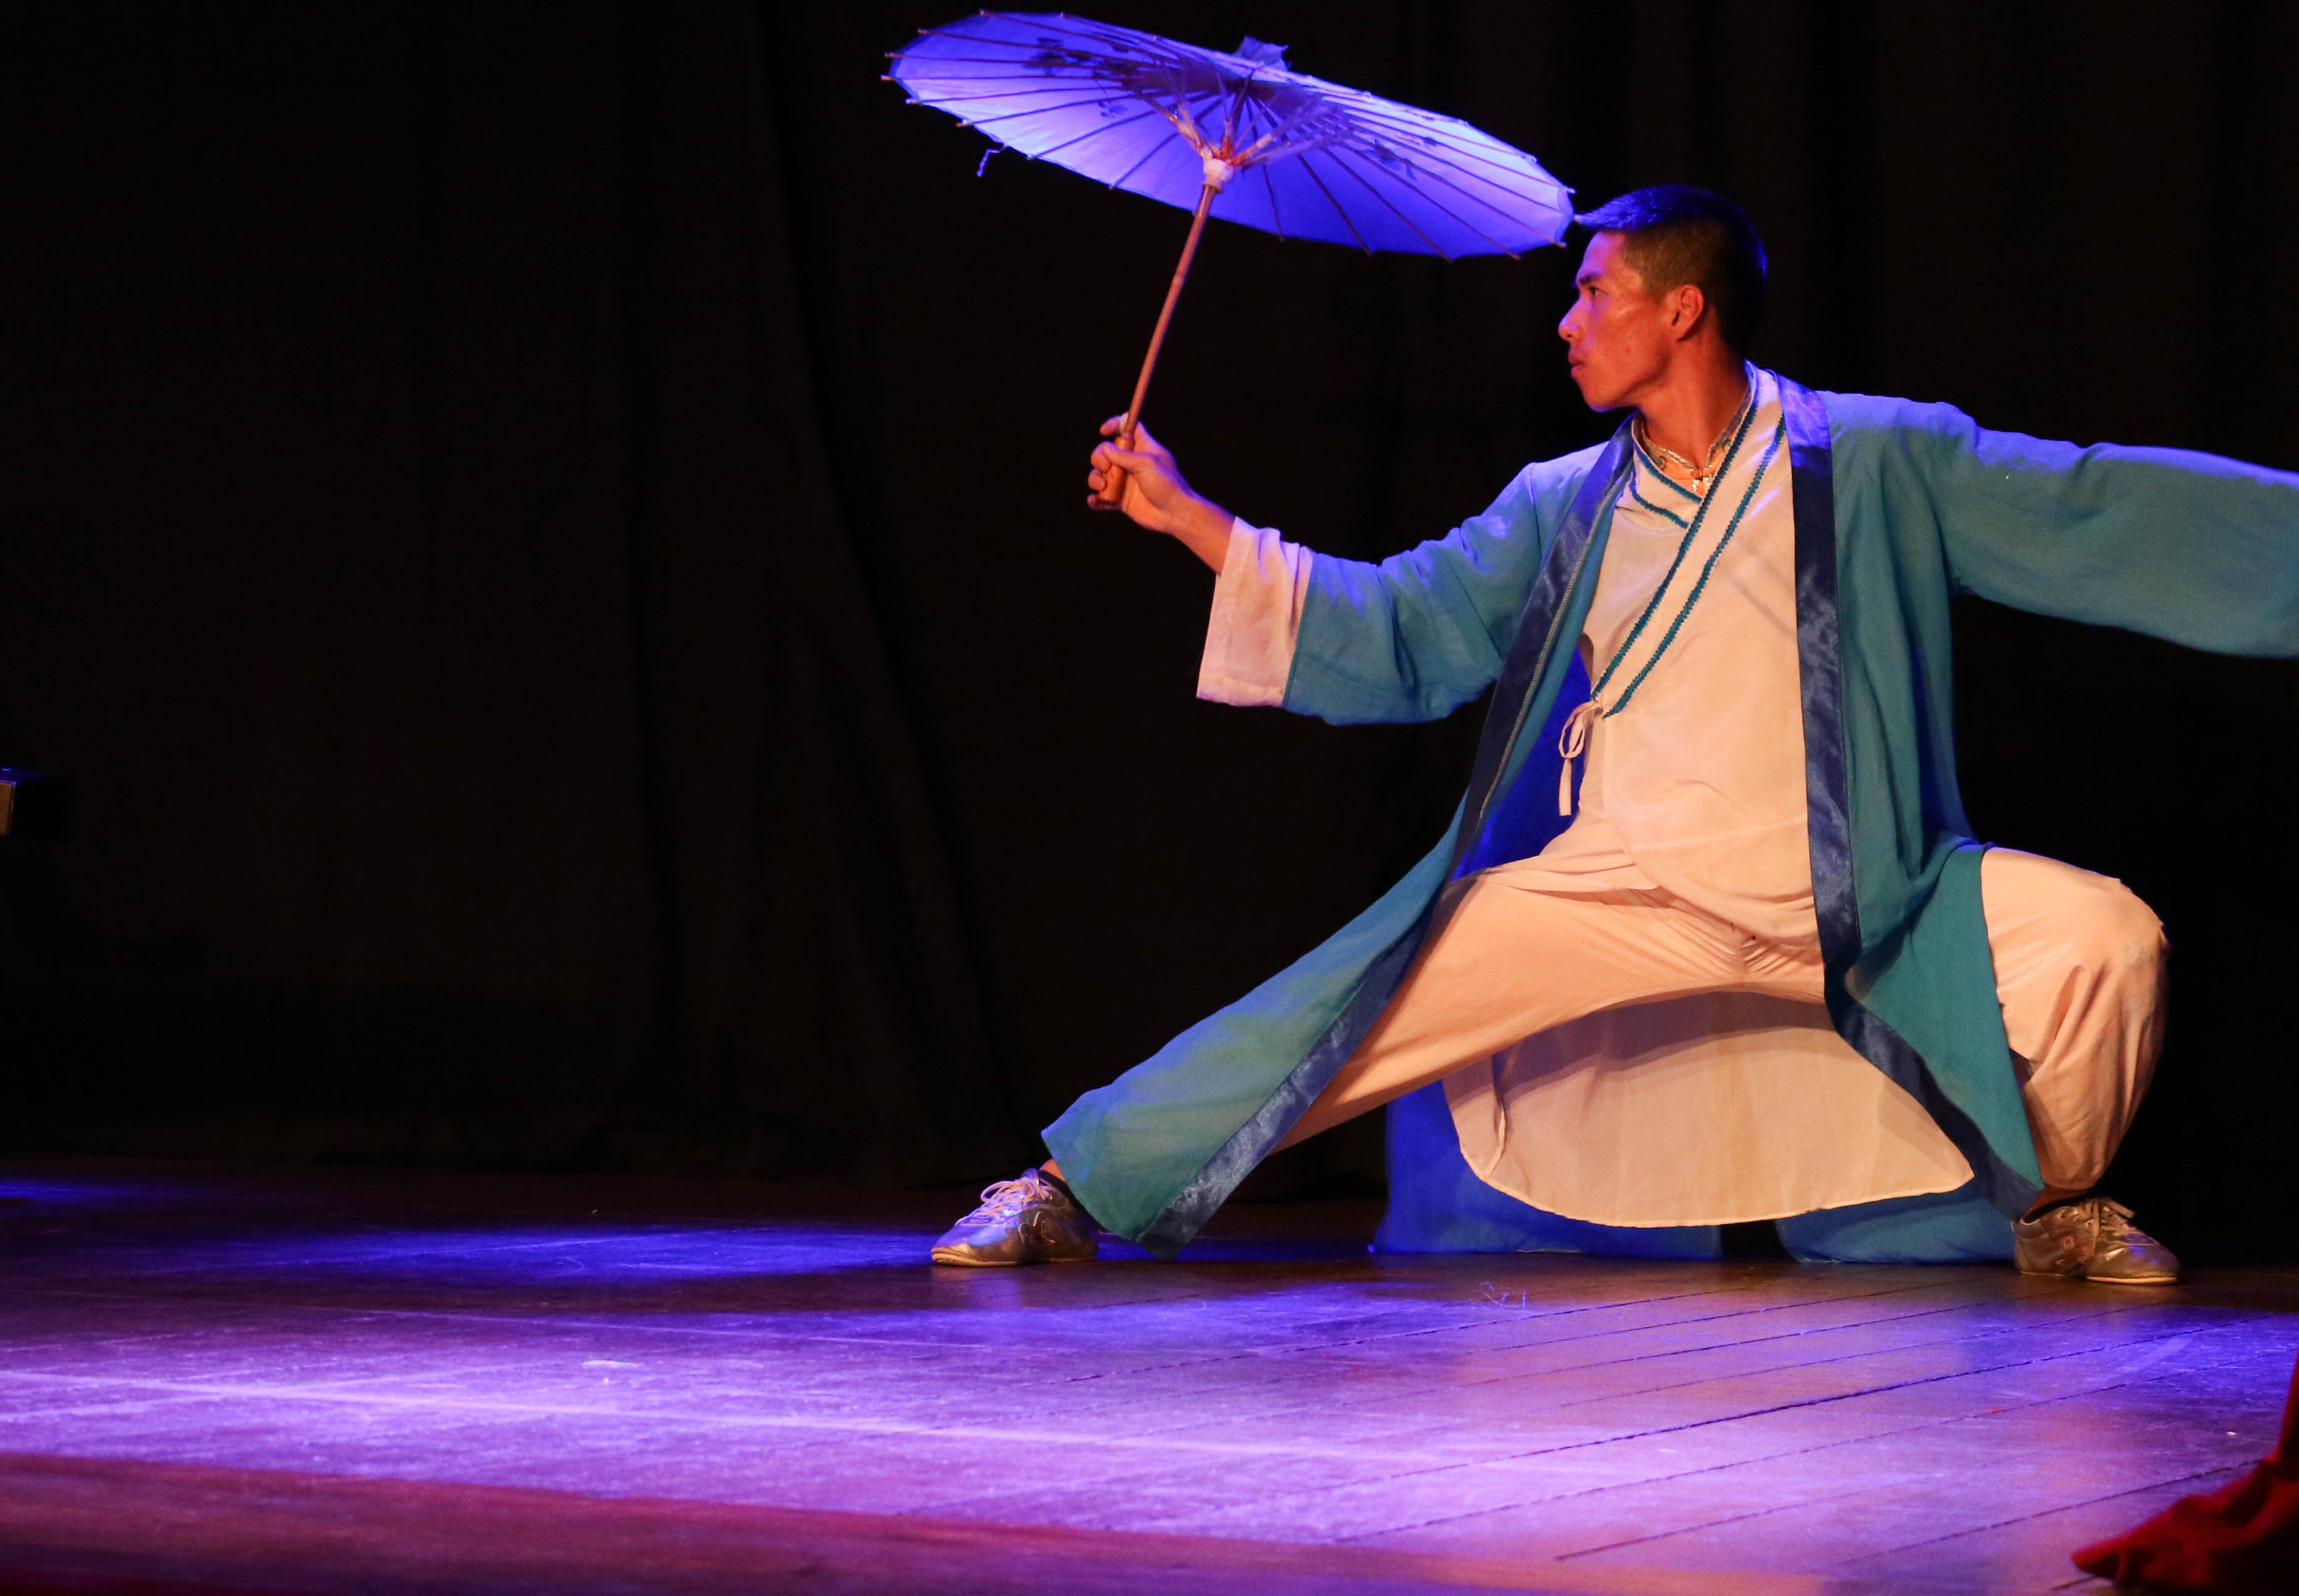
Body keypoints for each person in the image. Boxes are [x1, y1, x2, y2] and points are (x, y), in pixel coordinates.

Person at [932, 186, 2298, 1282]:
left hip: (1864, 895)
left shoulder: (1878, 458)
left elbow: (2089, 507)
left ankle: (2054, 1204)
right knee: (1346, 1010)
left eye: (1593, 293)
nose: (1568, 323)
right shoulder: (1562, 501)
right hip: (1625, 887)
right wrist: (1192, 519)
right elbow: (1401, 624)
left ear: (1681, 308)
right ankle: (1067, 1185)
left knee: (2107, 940)